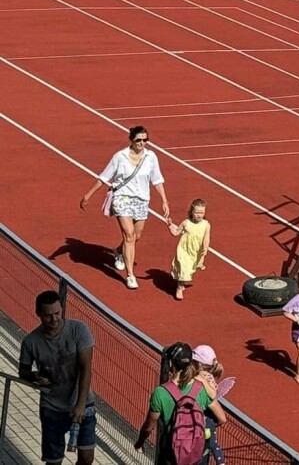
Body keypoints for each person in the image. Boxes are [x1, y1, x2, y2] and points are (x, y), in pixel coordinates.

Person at [80, 125, 170, 290]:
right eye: (138, 140)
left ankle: (118, 251)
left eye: (145, 140)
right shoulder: (120, 157)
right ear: (131, 140)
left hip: (142, 200)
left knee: (136, 236)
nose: (142, 143)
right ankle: (130, 275)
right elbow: (104, 177)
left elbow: (157, 180)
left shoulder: (151, 157)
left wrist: (164, 200)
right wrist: (88, 195)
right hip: (122, 198)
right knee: (129, 235)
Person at [20, 289, 96, 465]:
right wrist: (33, 376)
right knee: (53, 460)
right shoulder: (31, 342)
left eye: (57, 313)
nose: (54, 319)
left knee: (86, 458)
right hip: (51, 408)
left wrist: (81, 404)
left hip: (83, 404)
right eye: (48, 316)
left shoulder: (79, 330)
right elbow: (22, 371)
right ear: (38, 314)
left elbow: (86, 369)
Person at [135, 342, 227, 456]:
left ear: (170, 363)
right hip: (196, 452)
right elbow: (222, 418)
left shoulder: (160, 393)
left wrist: (139, 443)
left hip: (171, 452)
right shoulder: (202, 388)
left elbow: (149, 427)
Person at [167, 198, 210, 302]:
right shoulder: (186, 223)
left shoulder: (206, 224)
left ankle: (181, 281)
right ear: (191, 212)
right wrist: (170, 225)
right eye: (197, 212)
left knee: (190, 269)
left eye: (202, 213)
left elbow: (207, 238)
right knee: (184, 268)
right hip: (184, 250)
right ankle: (180, 288)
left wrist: (205, 248)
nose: (199, 215)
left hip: (195, 251)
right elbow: (176, 233)